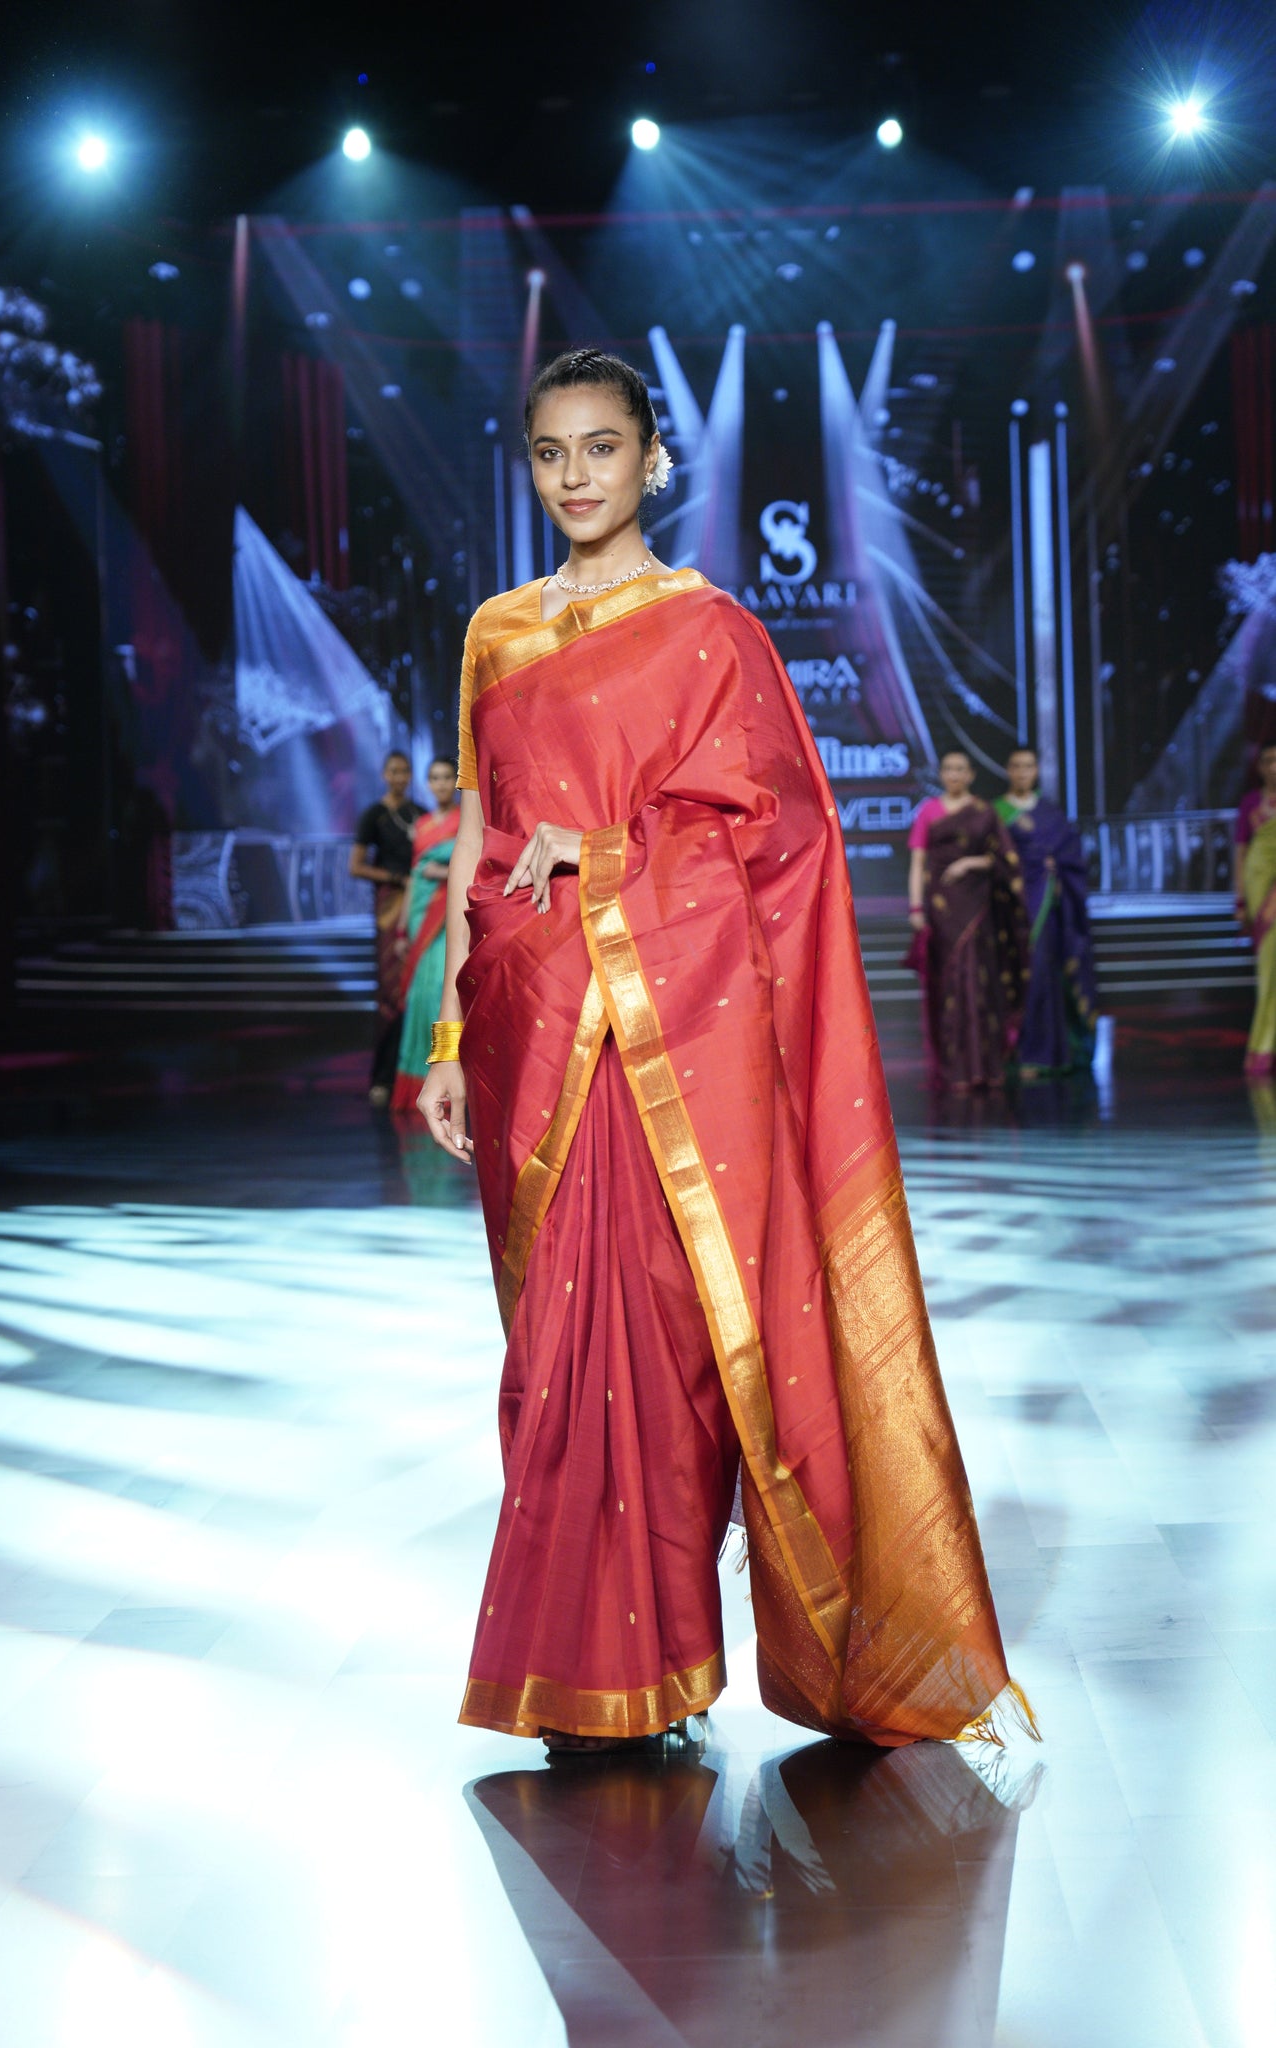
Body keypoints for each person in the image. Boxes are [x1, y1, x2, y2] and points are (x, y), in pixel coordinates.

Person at [416, 347, 1033, 1758]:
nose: (575, 476)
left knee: (670, 1341)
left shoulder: (710, 632)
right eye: (550, 452)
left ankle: (665, 1659)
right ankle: (588, 1666)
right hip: (525, 1026)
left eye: (601, 448)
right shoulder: (496, 633)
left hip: (665, 1035)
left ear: (652, 458)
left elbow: (779, 836)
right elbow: (478, 844)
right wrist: (447, 1034)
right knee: (556, 1352)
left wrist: (608, 846)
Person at [907, 750, 1029, 1092]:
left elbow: (1003, 859)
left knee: (980, 980)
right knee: (950, 982)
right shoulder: (928, 811)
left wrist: (970, 863)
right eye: (949, 769)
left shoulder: (983, 812)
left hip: (978, 906)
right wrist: (915, 908)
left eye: (961, 769)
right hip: (942, 909)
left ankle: (985, 1065)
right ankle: (956, 1067)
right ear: (941, 774)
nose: (955, 775)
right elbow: (917, 864)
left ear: (971, 775)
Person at [994, 747, 1097, 1078]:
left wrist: (1056, 869)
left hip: (1047, 908)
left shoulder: (1051, 814)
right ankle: (1017, 1053)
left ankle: (1049, 1055)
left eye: (1028, 766)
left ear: (1036, 771)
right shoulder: (996, 812)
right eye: (1016, 765)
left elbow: (1072, 856)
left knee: (1044, 977)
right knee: (1017, 978)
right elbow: (992, 857)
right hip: (1010, 909)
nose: (1022, 772)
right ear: (1008, 770)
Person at [351, 752, 426, 1106]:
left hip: (423, 902)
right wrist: (396, 878)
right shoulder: (374, 815)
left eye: (405, 771)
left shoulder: (421, 814)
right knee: (391, 991)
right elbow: (356, 866)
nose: (399, 777)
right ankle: (383, 1077)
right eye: (393, 771)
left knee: (419, 986)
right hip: (390, 905)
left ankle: (416, 1075)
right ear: (384, 774)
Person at [391, 757, 461, 1110]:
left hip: (449, 917)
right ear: (428, 784)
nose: (441, 784)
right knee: (420, 999)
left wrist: (443, 872)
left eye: (447, 777)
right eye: (435, 778)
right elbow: (414, 877)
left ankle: (448, 1085)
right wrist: (402, 929)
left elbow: (475, 866)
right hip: (422, 916)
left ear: (457, 781)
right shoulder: (420, 825)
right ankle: (418, 1086)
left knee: (440, 995)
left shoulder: (465, 820)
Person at [1235, 739, 1276, 1080]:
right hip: (1259, 886)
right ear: (1259, 766)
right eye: (1268, 760)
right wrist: (1240, 900)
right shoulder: (1250, 803)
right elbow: (1241, 853)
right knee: (1268, 971)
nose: (1274, 767)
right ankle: (1263, 1049)